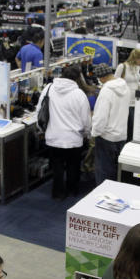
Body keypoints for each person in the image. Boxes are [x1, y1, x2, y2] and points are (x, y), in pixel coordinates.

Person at [37, 64, 91, 199]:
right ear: (78, 77)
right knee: (73, 165)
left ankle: (58, 193)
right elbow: (86, 119)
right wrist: (87, 134)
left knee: (57, 166)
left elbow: (39, 110)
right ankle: (73, 190)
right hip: (74, 138)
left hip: (53, 136)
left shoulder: (48, 88)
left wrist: (41, 129)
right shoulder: (79, 94)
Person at [91, 63, 129, 184]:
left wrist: (94, 133)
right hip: (121, 136)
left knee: (104, 172)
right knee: (117, 172)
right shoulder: (125, 87)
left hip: (106, 138)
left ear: (101, 78)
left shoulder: (106, 91)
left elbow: (100, 117)